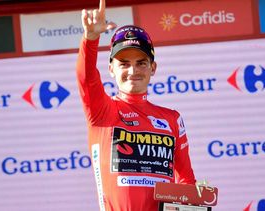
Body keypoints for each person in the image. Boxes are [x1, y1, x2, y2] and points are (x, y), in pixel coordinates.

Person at [76, 0, 196, 210]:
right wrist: (91, 39)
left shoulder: (172, 119)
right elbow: (86, 78)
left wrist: (191, 205)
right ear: (111, 69)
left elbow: (186, 181)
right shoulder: (101, 111)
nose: (133, 71)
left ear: (153, 68)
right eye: (124, 64)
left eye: (141, 63)